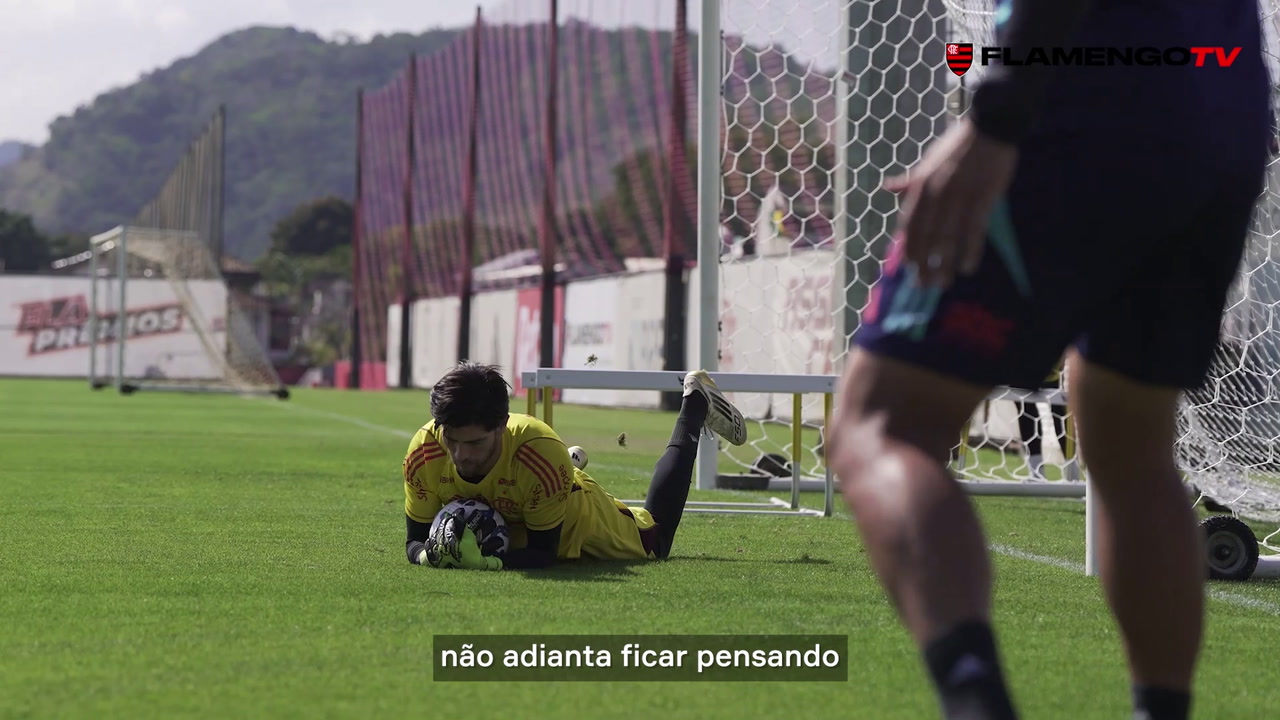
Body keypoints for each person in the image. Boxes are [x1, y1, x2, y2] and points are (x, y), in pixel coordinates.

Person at [823, 0, 1272, 718]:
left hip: (1078, 91)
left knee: (881, 425)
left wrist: (997, 114)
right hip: (1223, 100)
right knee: (1132, 447)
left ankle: (977, 704)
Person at [403, 362, 747, 570]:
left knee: (655, 543)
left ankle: (695, 404)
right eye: (453, 440)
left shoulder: (538, 455)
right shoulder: (424, 454)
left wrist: (486, 562)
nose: (461, 455)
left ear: (502, 424)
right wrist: (428, 556)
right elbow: (414, 540)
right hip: (534, 490)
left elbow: (542, 553)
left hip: (576, 516)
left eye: (475, 443)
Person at [1017, 359, 1066, 480]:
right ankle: (1037, 474)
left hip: (1047, 362)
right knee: (1026, 412)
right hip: (1019, 366)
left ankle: (1073, 474)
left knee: (1059, 415)